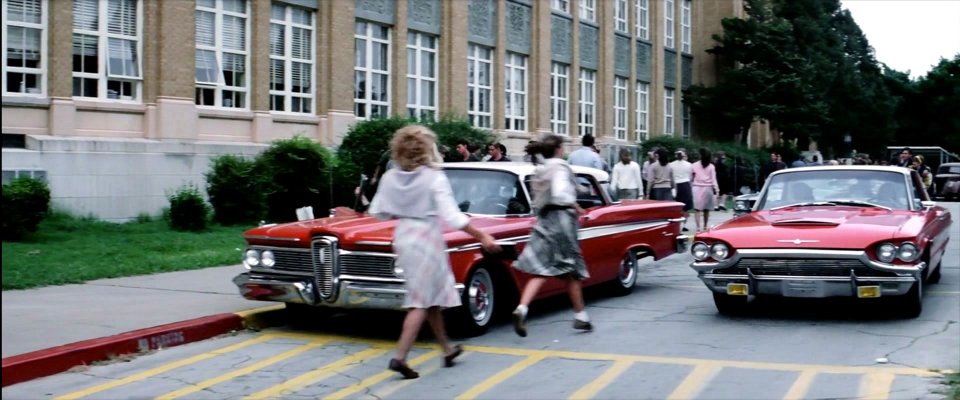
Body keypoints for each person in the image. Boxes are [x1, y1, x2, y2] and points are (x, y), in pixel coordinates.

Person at [368, 125, 501, 379]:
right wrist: (482, 235)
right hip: (427, 238)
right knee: (420, 301)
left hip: (404, 236)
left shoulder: (391, 177)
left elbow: (378, 212)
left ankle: (446, 349)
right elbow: (453, 217)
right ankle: (400, 357)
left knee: (431, 298)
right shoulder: (433, 177)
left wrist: (404, 205)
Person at [511, 134, 593, 337]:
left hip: (543, 220)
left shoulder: (540, 168)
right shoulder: (560, 167)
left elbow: (542, 197)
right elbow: (560, 194)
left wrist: (573, 203)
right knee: (572, 270)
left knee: (541, 269)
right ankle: (581, 316)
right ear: (557, 149)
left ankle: (522, 308)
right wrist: (574, 202)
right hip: (562, 221)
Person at [691, 148, 720, 232]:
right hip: (708, 188)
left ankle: (698, 227)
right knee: (706, 210)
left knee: (697, 210)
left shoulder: (694, 165)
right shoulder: (711, 167)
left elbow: (691, 177)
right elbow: (714, 179)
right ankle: (705, 226)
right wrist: (717, 190)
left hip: (696, 188)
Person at [669, 149, 693, 231]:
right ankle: (684, 225)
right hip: (685, 184)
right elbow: (690, 176)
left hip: (676, 184)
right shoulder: (689, 164)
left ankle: (676, 223)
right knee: (685, 207)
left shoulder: (671, 164)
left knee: (676, 205)